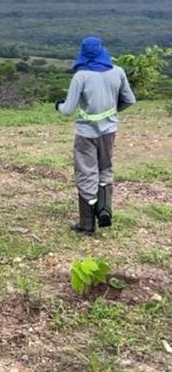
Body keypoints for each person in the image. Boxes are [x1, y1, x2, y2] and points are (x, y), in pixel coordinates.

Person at [56, 36, 135, 234]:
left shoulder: (81, 76)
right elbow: (129, 100)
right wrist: (113, 112)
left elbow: (67, 110)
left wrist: (58, 105)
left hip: (86, 133)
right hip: (109, 132)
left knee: (86, 172)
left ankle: (86, 223)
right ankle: (105, 209)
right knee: (105, 169)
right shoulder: (118, 72)